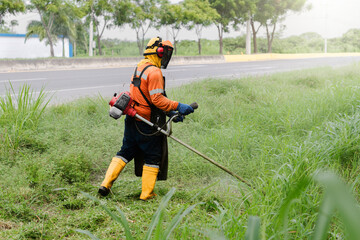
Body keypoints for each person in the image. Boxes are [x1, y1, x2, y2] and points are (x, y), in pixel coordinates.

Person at [98, 37, 194, 200]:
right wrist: (178, 106)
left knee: (125, 152)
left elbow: (144, 96)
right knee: (153, 156)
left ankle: (105, 184)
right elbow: (157, 99)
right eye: (167, 53)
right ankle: (146, 194)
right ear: (160, 52)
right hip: (146, 123)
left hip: (131, 119)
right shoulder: (155, 72)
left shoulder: (140, 67)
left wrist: (169, 112)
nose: (167, 57)